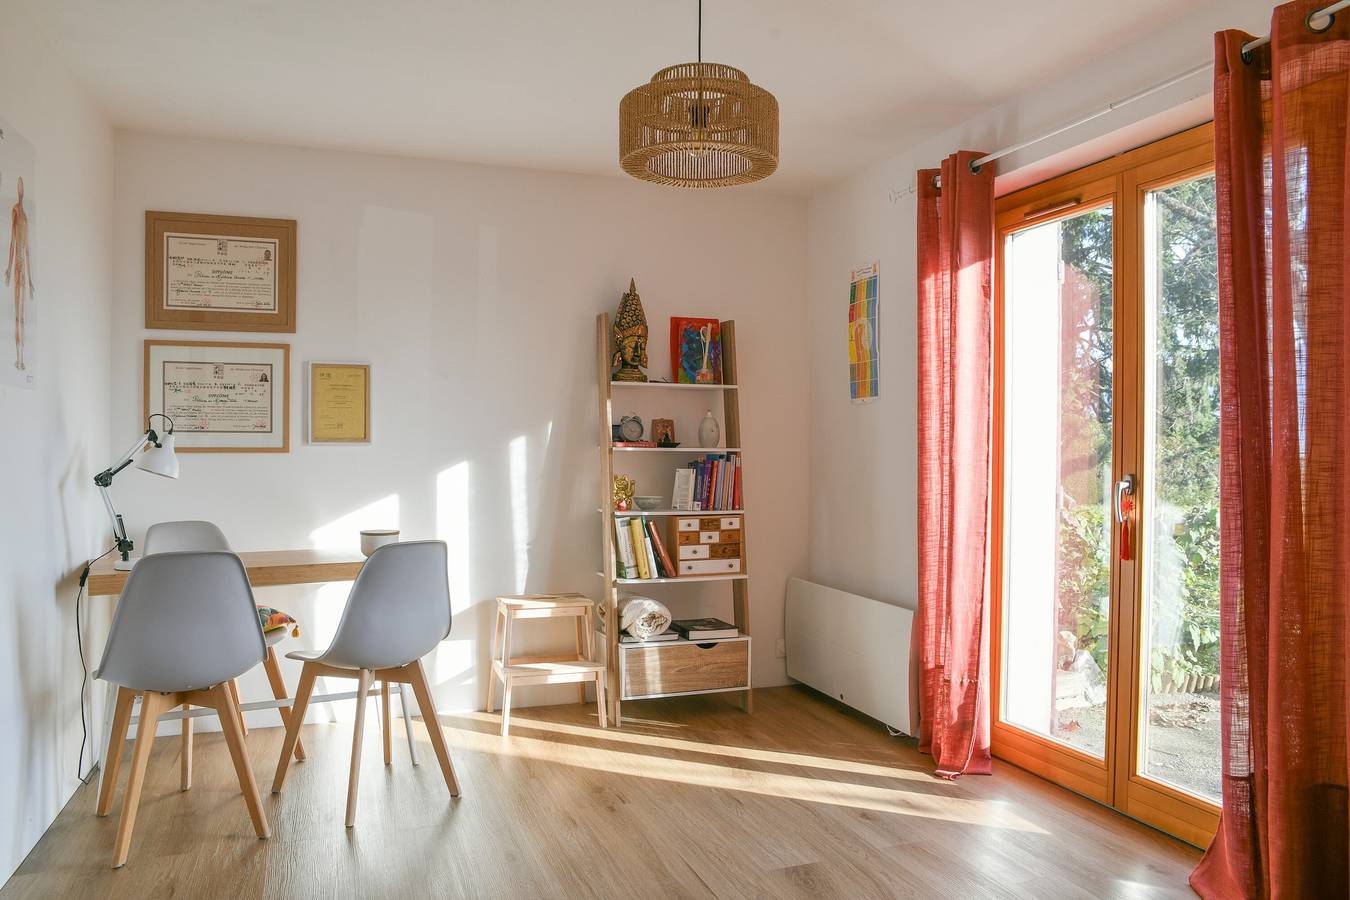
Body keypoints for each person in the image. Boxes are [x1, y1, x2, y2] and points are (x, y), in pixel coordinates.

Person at [5, 176, 34, 371]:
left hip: (24, 268)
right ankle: (17, 357)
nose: (21, 188)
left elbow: (28, 248)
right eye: (19, 185)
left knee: (23, 313)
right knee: (16, 313)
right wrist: (8, 268)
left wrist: (30, 279)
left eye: (22, 185)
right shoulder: (16, 211)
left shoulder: (25, 216)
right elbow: (13, 242)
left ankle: (22, 357)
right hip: (16, 267)